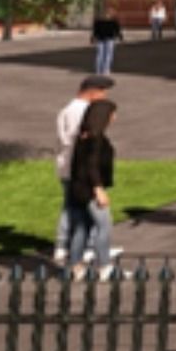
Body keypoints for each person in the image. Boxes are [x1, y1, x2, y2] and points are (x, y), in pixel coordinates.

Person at [54, 75, 112, 267]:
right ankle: (90, 252)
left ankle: (71, 252)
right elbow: (83, 144)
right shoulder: (82, 111)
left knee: (74, 211)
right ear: (93, 92)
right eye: (103, 92)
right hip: (80, 170)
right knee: (87, 216)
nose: (104, 97)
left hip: (67, 167)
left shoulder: (66, 109)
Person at [64, 99, 118, 281]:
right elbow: (92, 165)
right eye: (112, 114)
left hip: (78, 187)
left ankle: (75, 265)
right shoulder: (96, 139)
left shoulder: (83, 136)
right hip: (89, 189)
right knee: (104, 225)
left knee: (82, 227)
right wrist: (98, 189)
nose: (114, 118)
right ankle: (104, 266)